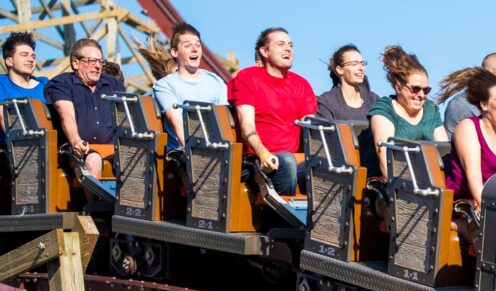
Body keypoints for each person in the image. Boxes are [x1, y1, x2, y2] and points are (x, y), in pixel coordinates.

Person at [228, 27, 316, 195]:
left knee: (329, 167)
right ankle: (280, 221)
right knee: (286, 161)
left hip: (295, 163)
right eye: (281, 44)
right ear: (264, 51)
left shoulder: (301, 84)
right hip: (258, 162)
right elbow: (247, 125)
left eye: (290, 45)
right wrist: (263, 154)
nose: (288, 49)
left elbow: (311, 127)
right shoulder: (248, 78)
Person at [45, 38, 126, 201]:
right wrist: (76, 140)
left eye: (100, 61)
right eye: (91, 61)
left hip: (113, 148)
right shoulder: (62, 83)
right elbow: (65, 113)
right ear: (75, 63)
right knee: (93, 160)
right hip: (80, 149)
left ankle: (130, 213)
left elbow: (124, 116)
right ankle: (96, 213)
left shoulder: (113, 84)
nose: (97, 66)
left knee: (138, 158)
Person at [439, 67, 496, 209]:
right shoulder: (468, 128)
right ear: (484, 105)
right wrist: (490, 214)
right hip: (466, 205)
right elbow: (474, 180)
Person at [368, 45, 446, 178]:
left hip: (429, 181)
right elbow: (385, 161)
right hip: (395, 182)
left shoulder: (431, 110)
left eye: (426, 90)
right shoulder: (384, 110)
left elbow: (444, 153)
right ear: (398, 88)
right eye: (415, 89)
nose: (421, 95)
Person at [153, 23, 229, 151]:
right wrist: (194, 154)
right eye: (187, 45)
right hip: (183, 154)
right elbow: (176, 121)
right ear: (175, 52)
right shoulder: (164, 85)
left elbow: (225, 120)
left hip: (216, 150)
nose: (194, 49)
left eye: (198, 45)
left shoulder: (215, 81)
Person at [1, 32, 50, 142]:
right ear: (9, 61)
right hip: (13, 150)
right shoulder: (2, 84)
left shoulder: (45, 84)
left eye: (33, 56)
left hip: (49, 146)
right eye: (24, 55)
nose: (31, 59)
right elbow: (2, 118)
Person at [316, 44, 379, 121]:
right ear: (339, 69)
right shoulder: (326, 102)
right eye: (354, 64)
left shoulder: (375, 101)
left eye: (362, 63)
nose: (361, 68)